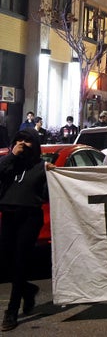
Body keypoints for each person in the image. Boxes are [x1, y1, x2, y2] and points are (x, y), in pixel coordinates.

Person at [0, 130, 56, 331]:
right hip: (8, 215)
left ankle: (12, 311)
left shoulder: (42, 166)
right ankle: (28, 289)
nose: (23, 144)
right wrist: (12, 155)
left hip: (30, 217)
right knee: (6, 260)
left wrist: (52, 174)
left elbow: (51, 193)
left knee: (20, 261)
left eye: (27, 141)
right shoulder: (9, 163)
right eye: (19, 140)